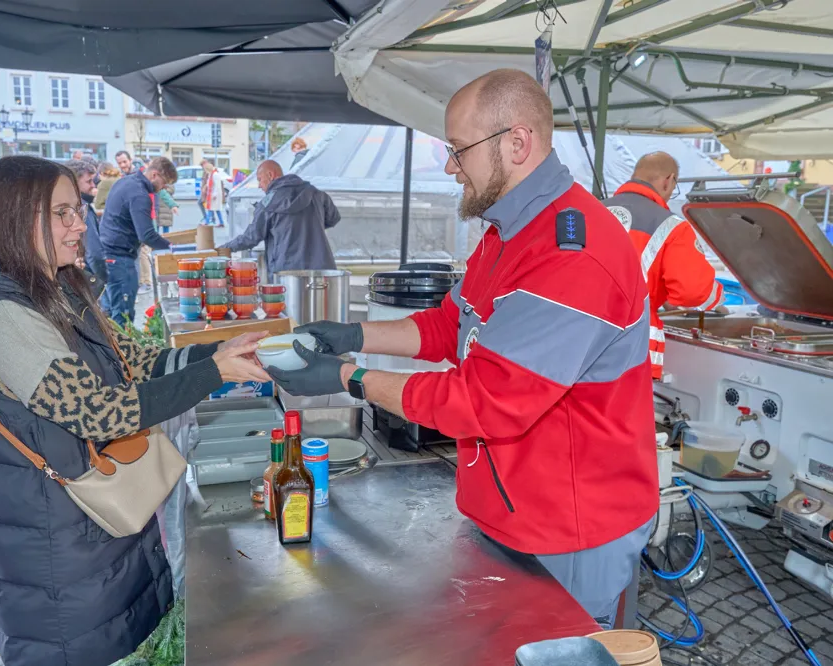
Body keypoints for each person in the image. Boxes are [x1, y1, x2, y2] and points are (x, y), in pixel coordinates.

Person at [268, 70, 659, 628]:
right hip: (509, 509)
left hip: (571, 529)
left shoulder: (572, 254)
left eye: (458, 150)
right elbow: (450, 325)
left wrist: (349, 377)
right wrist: (354, 335)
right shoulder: (507, 232)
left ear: (517, 143)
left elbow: (484, 401)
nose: (451, 167)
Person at [0, 155, 269, 666]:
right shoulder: (3, 316)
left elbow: (137, 361)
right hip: (57, 551)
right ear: (12, 219)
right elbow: (97, 413)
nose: (80, 225)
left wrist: (219, 352)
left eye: (79, 210)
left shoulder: (57, 288)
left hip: (94, 530)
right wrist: (214, 373)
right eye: (62, 213)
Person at [603, 152, 724, 381]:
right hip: (629, 353)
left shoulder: (589, 211)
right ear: (668, 181)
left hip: (576, 342)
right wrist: (718, 298)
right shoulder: (672, 227)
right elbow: (692, 292)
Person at [219, 160, 340, 278]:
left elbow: (251, 237)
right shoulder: (317, 194)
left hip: (287, 272)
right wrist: (311, 227)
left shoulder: (268, 203)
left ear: (270, 175)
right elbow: (333, 218)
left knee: (288, 293)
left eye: (260, 179)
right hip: (321, 269)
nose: (259, 185)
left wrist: (225, 248)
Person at [99, 157, 177, 326]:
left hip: (107, 252)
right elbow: (147, 235)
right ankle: (121, 342)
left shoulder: (125, 181)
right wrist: (172, 247)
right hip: (119, 256)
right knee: (123, 315)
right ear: (154, 175)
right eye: (164, 183)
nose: (164, 188)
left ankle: (111, 341)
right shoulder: (140, 194)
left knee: (110, 311)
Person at [65, 159, 106, 298]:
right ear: (74, 183)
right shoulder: (81, 208)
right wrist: (103, 279)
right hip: (83, 278)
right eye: (89, 181)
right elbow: (94, 253)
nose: (93, 185)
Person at [202, 159, 225, 227]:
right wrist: (205, 187)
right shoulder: (211, 174)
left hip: (215, 194)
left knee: (211, 208)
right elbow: (209, 183)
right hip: (212, 193)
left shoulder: (215, 175)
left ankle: (207, 222)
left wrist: (215, 194)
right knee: (216, 209)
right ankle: (221, 222)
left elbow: (217, 186)